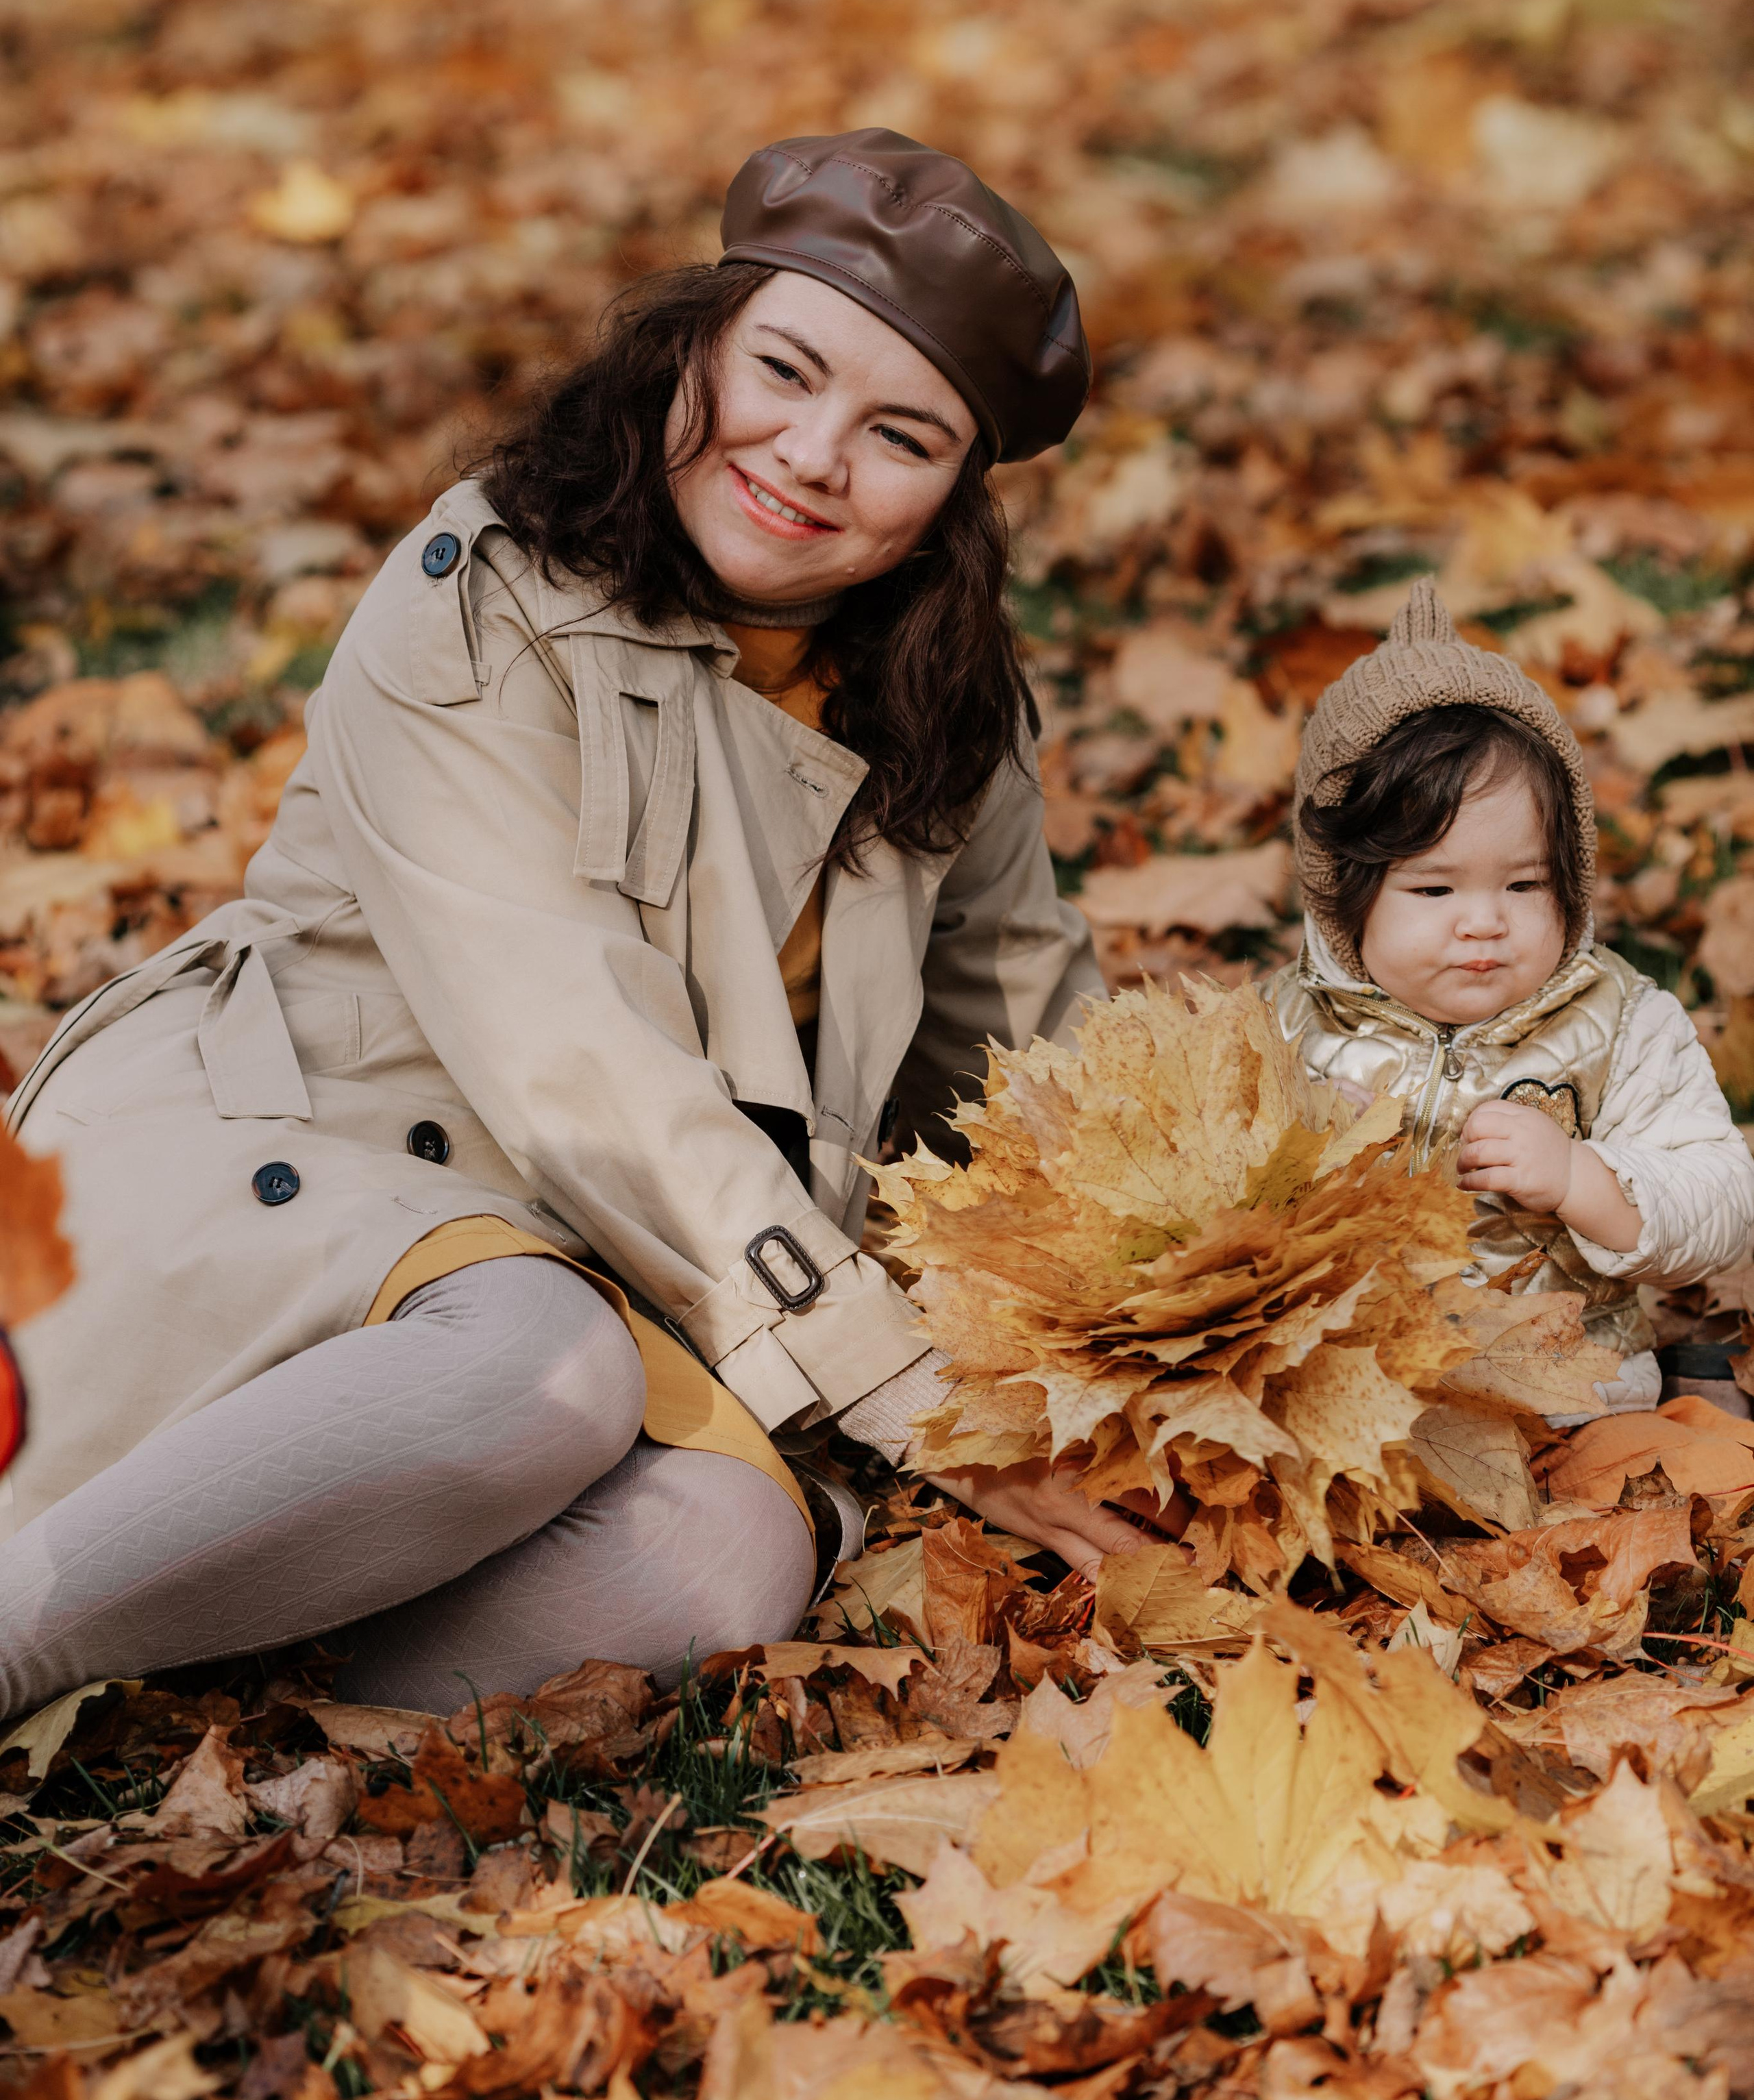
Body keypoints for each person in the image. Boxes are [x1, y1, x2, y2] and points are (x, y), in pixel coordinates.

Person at [0, 128, 1177, 1722]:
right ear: (689, 338)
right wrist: (903, 1382)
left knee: (726, 1554)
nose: (814, 453)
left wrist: (1176, 1324)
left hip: (638, 1259)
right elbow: (572, 1060)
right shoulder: (479, 590)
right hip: (311, 1160)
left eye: (898, 434)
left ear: (949, 497)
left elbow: (1022, 1067)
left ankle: (258, 1714)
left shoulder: (940, 699)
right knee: (543, 1368)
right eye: (781, 367)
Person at [1274, 578, 1754, 1413]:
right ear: (1342, 893)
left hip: (1572, 1396)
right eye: (1434, 891)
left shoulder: (1624, 1024)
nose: (1485, 924)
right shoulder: (1282, 1027)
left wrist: (1584, 1178)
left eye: (1525, 883)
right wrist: (1298, 1156)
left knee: (1667, 1464)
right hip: (1355, 1397)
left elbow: (1720, 1201)